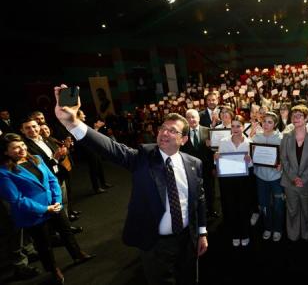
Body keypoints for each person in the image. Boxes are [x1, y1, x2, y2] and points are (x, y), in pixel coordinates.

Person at [54, 85, 208, 285]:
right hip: (154, 244)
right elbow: (111, 148)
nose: (164, 133)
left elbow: (200, 199)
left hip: (188, 240)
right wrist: (72, 122)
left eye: (173, 131)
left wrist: (202, 232)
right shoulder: (143, 157)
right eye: (162, 128)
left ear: (184, 139)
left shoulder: (194, 164)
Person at [0, 133, 95, 285]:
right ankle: (54, 270)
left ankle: (78, 254)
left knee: (66, 232)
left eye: (22, 145)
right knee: (44, 245)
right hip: (34, 213)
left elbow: (52, 180)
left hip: (54, 205)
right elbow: (16, 200)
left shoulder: (36, 158)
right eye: (15, 147)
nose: (21, 149)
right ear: (5, 152)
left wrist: (57, 202)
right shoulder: (3, 172)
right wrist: (45, 209)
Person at [280, 105, 308, 242]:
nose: (296, 118)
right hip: (290, 182)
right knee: (292, 210)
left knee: (307, 210)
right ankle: (293, 235)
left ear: (307, 118)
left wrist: (302, 178)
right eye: (293, 116)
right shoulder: (286, 136)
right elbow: (284, 159)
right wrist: (294, 177)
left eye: (299, 116)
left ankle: (306, 234)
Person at [216, 115, 253, 247]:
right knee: (230, 207)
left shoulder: (249, 143)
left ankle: (245, 234)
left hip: (244, 180)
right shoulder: (224, 141)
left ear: (243, 127)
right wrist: (217, 157)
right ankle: (235, 234)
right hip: (228, 181)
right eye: (233, 126)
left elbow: (251, 165)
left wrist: (250, 160)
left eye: (238, 126)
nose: (235, 128)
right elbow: (219, 163)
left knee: (243, 207)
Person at [251, 112, 284, 242]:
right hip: (260, 176)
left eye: (270, 122)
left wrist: (282, 164)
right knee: (263, 204)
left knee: (278, 205)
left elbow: (286, 157)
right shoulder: (256, 137)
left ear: (275, 124)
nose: (266, 124)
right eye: (264, 121)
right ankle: (268, 227)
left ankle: (278, 229)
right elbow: (251, 153)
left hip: (276, 177)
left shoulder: (281, 138)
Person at [181, 109, 218, 218]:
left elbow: (215, 151)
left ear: (199, 118)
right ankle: (197, 212)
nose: (191, 119)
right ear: (185, 120)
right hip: (190, 169)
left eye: (194, 117)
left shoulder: (208, 131)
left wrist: (214, 166)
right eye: (189, 117)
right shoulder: (182, 134)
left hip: (207, 168)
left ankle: (211, 210)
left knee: (210, 190)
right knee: (193, 191)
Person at [75, 110, 112, 194]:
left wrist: (96, 129)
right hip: (88, 150)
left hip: (93, 149)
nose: (84, 115)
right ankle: (96, 187)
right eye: (82, 114)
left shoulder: (82, 125)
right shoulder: (77, 126)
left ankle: (103, 183)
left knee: (99, 166)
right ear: (78, 116)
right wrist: (96, 128)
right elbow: (88, 138)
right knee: (93, 169)